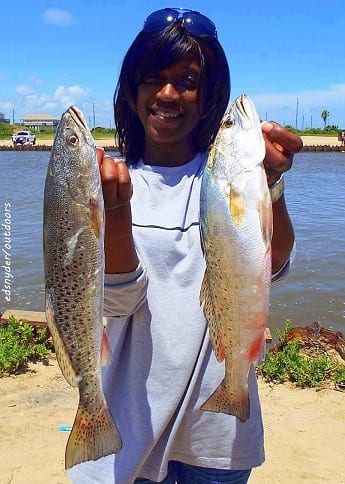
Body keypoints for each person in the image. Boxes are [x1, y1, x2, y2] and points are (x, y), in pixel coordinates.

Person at [68, 8, 302, 484]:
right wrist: (114, 213)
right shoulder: (108, 182)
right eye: (152, 79)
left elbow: (272, 267)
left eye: (188, 80)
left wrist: (271, 185)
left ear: (209, 90)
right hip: (125, 438)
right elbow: (116, 303)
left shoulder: (227, 176)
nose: (169, 94)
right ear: (132, 91)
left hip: (218, 439)